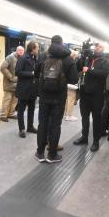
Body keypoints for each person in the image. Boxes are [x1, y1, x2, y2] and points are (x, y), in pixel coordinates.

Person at [34, 35, 78, 163]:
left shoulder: (43, 56)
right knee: (55, 125)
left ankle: (40, 153)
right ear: (62, 43)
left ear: (51, 43)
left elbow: (36, 73)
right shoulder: (68, 58)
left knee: (43, 124)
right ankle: (52, 155)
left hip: (44, 95)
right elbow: (74, 79)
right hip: (59, 97)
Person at [73, 43, 109, 152]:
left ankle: (95, 141)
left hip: (97, 95)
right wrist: (82, 56)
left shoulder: (105, 61)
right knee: (84, 117)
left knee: (96, 119)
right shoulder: (88, 58)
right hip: (84, 93)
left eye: (100, 47)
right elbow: (78, 67)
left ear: (103, 49)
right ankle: (84, 137)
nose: (97, 48)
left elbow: (104, 73)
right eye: (96, 47)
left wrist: (89, 70)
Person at [15, 41, 40, 138]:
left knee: (32, 109)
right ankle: (21, 129)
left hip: (32, 89)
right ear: (32, 49)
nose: (38, 49)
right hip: (24, 89)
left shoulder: (35, 58)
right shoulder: (23, 58)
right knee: (21, 110)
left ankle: (30, 126)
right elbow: (17, 72)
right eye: (37, 48)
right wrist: (31, 74)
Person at [0, 46, 24, 121]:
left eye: (22, 51)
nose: (21, 52)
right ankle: (3, 115)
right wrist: (11, 77)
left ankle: (11, 114)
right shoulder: (10, 57)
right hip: (9, 83)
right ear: (16, 50)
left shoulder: (22, 59)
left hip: (18, 84)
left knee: (14, 101)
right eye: (19, 50)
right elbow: (2, 68)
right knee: (7, 100)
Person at [64, 50, 80, 121]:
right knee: (71, 99)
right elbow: (74, 75)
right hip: (71, 84)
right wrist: (76, 82)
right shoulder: (72, 62)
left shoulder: (65, 60)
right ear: (73, 55)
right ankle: (69, 115)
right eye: (76, 56)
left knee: (66, 99)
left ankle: (64, 114)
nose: (76, 58)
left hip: (65, 83)